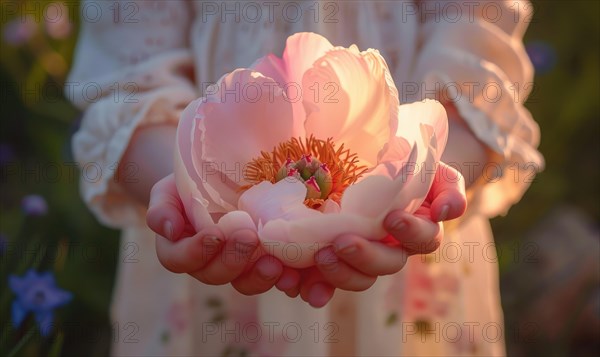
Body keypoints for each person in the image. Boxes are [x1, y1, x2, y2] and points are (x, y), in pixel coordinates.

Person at [68, 1, 542, 355]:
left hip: (404, 252)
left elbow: (479, 53)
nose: (304, 179)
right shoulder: (211, 209)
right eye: (296, 179)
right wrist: (190, 197)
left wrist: (426, 179)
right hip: (215, 235)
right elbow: (128, 84)